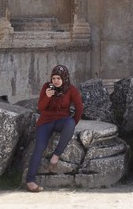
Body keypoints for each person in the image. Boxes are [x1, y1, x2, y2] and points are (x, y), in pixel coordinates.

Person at [25, 64, 84, 192]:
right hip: (45, 121)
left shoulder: (71, 90)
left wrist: (73, 122)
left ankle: (55, 156)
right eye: (54, 78)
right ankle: (30, 180)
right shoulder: (47, 87)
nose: (56, 81)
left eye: (58, 78)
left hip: (62, 121)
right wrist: (47, 96)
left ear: (65, 78)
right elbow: (40, 108)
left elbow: (79, 108)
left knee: (70, 124)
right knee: (39, 147)